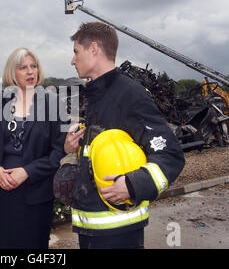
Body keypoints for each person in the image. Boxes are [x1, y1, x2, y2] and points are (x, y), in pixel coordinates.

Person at [64, 22, 185, 249]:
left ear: (93, 49)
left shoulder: (130, 94)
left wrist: (133, 184)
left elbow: (170, 154)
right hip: (92, 231)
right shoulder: (97, 95)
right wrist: (73, 155)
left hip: (118, 234)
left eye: (75, 52)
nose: (72, 60)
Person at [0, 47, 66, 249]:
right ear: (12, 73)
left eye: (33, 66)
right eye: (23, 68)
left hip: (35, 195)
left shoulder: (52, 104)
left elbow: (59, 152)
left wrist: (27, 172)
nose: (30, 72)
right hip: (1, 193)